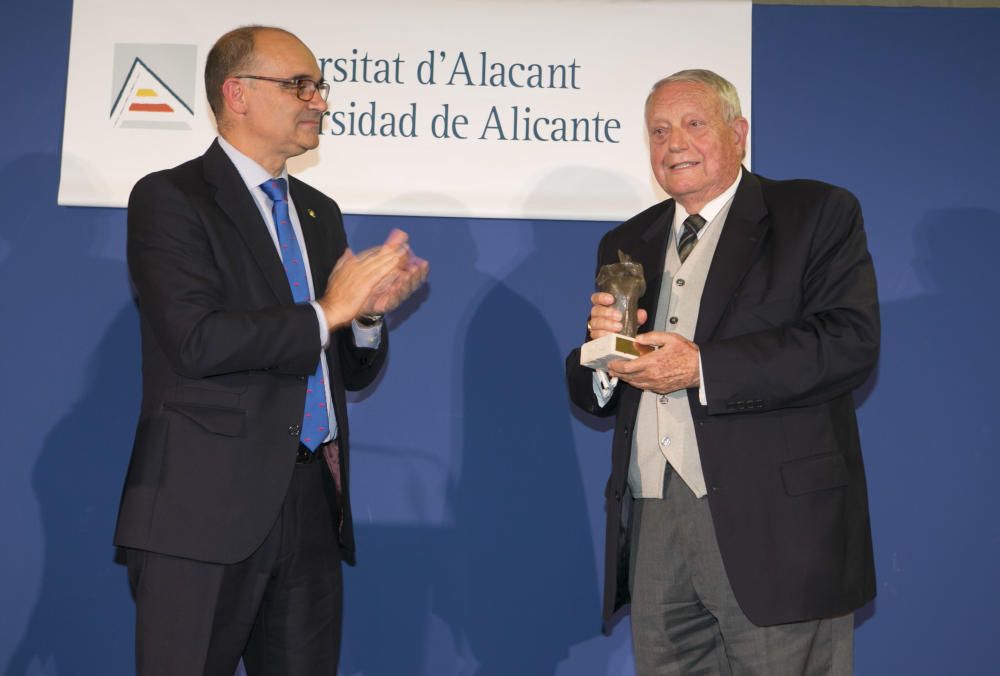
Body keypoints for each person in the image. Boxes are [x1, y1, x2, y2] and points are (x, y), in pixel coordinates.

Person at [113, 26, 428, 675]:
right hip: (201, 514)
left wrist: (365, 317)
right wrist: (328, 310)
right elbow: (197, 341)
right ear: (238, 94)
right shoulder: (171, 198)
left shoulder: (317, 211)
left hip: (311, 505)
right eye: (299, 85)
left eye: (320, 86)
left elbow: (341, 366)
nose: (319, 101)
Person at [565, 69, 879, 674]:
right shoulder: (627, 240)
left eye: (693, 124)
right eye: (659, 131)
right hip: (653, 518)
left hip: (776, 525)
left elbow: (849, 342)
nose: (673, 143)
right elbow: (587, 381)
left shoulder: (814, 213)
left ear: (739, 134)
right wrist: (605, 359)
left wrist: (702, 366)